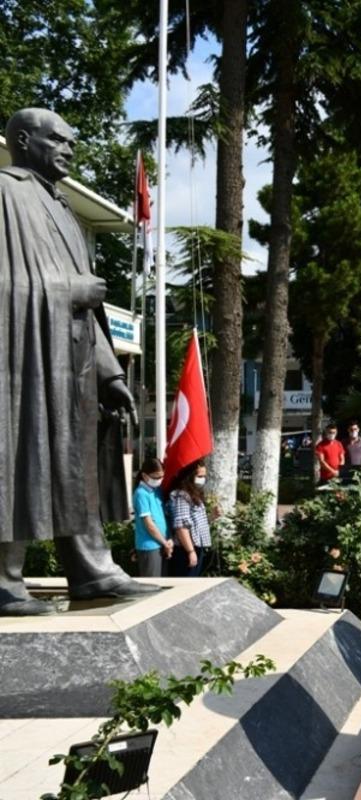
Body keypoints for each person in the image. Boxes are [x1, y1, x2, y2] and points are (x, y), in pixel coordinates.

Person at [0, 108, 158, 615]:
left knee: (76, 467)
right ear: (23, 140)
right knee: (21, 461)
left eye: (73, 140)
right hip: (22, 362)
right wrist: (70, 289)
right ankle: (4, 581)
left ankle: (91, 571)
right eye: (59, 139)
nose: (70, 148)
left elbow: (88, 309)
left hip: (73, 361)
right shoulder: (5, 193)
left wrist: (111, 372)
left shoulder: (63, 207)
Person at [168, 462, 212, 577]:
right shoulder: (182, 496)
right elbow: (181, 526)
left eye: (204, 476)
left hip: (196, 547)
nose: (202, 479)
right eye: (200, 476)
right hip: (186, 549)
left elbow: (195, 523)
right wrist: (190, 551)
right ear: (190, 476)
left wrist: (212, 516)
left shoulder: (193, 494)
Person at [132, 458, 172, 578]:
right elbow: (149, 525)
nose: (159, 480)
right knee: (153, 583)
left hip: (162, 543)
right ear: (144, 475)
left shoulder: (157, 490)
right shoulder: (141, 494)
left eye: (161, 477)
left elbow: (162, 517)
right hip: (149, 546)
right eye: (155, 477)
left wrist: (168, 540)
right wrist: (165, 543)